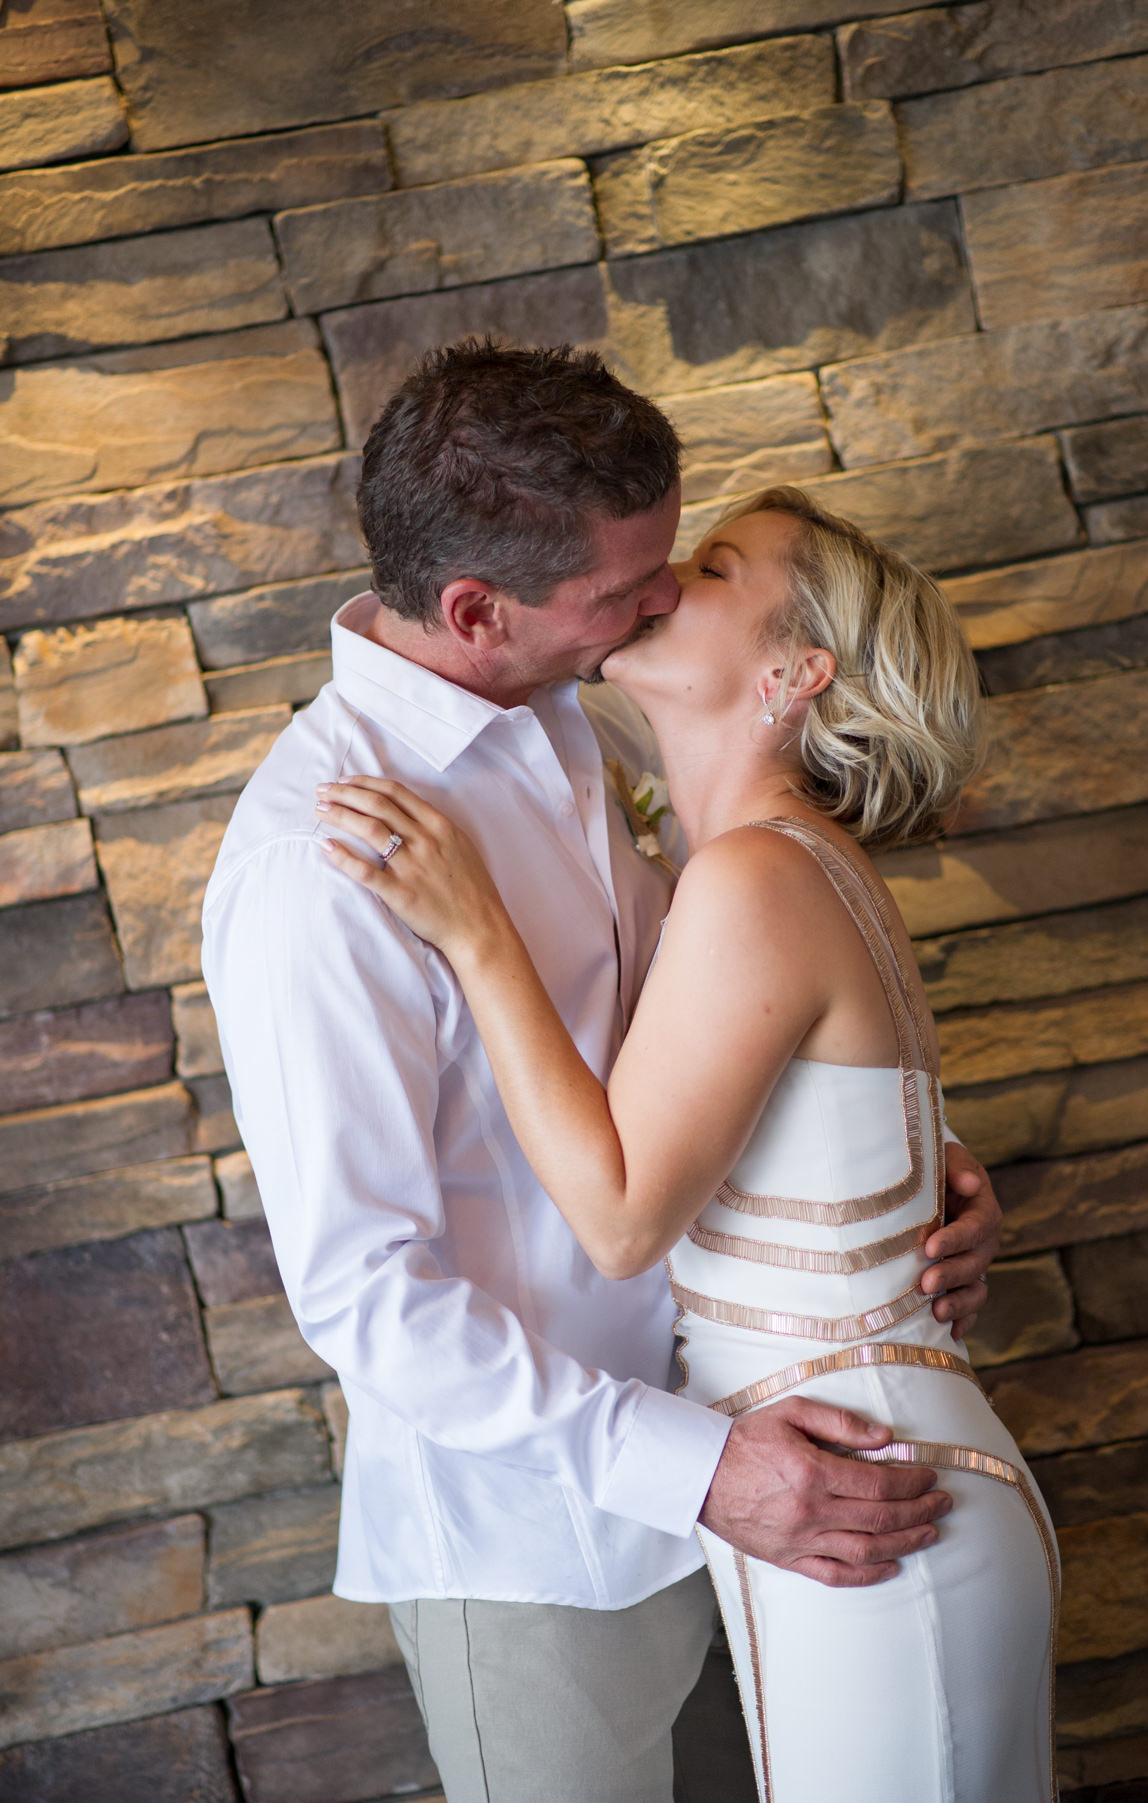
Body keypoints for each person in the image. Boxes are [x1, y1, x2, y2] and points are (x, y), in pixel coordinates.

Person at [202, 342, 1004, 1803]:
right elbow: (366, 1293)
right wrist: (696, 1470)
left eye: (675, 570)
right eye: (627, 591)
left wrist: (886, 1184)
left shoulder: (572, 718)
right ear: (473, 610)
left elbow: (704, 1047)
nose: (653, 607)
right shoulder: (319, 868)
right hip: (551, 1545)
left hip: (759, 1462)